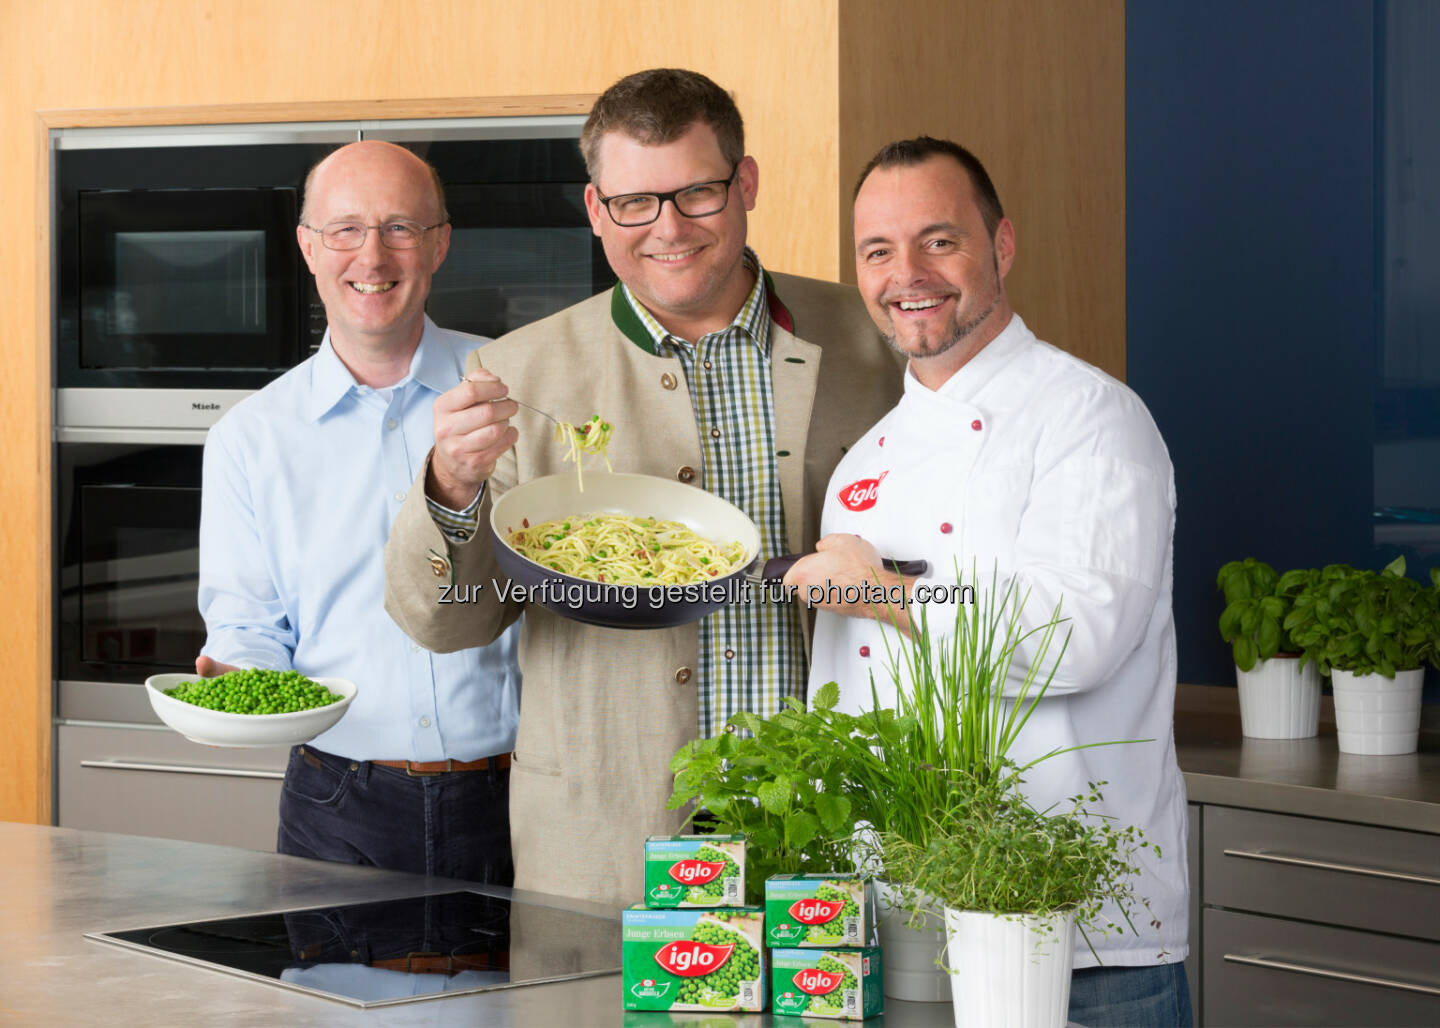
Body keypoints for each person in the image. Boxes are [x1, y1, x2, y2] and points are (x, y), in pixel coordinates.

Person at [383, 68, 901, 907]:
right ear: (596, 210)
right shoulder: (519, 372)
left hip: (833, 825)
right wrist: (449, 486)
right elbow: (447, 621)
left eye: (697, 193)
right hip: (607, 839)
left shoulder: (873, 341)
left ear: (747, 185)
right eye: (634, 202)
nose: (667, 228)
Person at [783, 137, 1192, 1026]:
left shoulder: (1089, 418)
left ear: (1000, 246)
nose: (907, 275)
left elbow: (1075, 637)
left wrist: (882, 592)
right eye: (877, 251)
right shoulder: (868, 459)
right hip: (902, 925)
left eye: (940, 241)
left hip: (1080, 942)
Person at [197, 140, 520, 883]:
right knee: (333, 1003)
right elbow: (248, 627)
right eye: (345, 229)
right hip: (339, 801)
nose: (372, 258)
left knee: (528, 1002)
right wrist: (235, 682)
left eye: (400, 228)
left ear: (439, 244)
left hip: (521, 793)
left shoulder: (513, 392)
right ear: (308, 247)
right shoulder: (249, 438)